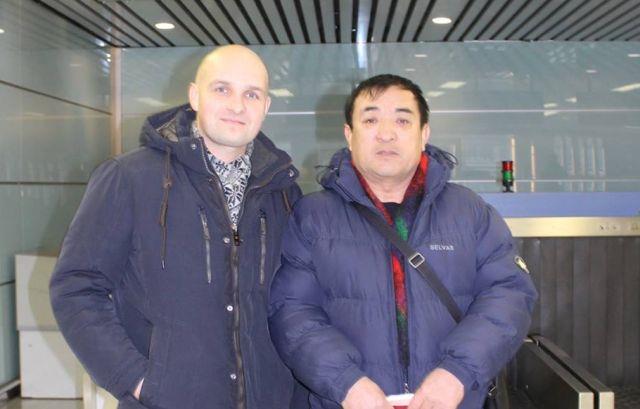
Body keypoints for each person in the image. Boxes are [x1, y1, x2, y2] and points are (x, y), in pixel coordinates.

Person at [50, 45, 304, 409]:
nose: (237, 105)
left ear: (265, 106)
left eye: (251, 94)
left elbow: (295, 303)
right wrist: (136, 380)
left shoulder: (282, 191)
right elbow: (76, 287)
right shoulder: (129, 178)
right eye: (222, 89)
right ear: (194, 96)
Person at [268, 74, 537, 409]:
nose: (386, 133)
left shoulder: (468, 212)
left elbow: (509, 293)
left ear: (424, 134)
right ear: (349, 135)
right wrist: (345, 383)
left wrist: (457, 373)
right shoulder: (313, 216)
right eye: (370, 120)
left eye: (402, 120)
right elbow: (292, 310)